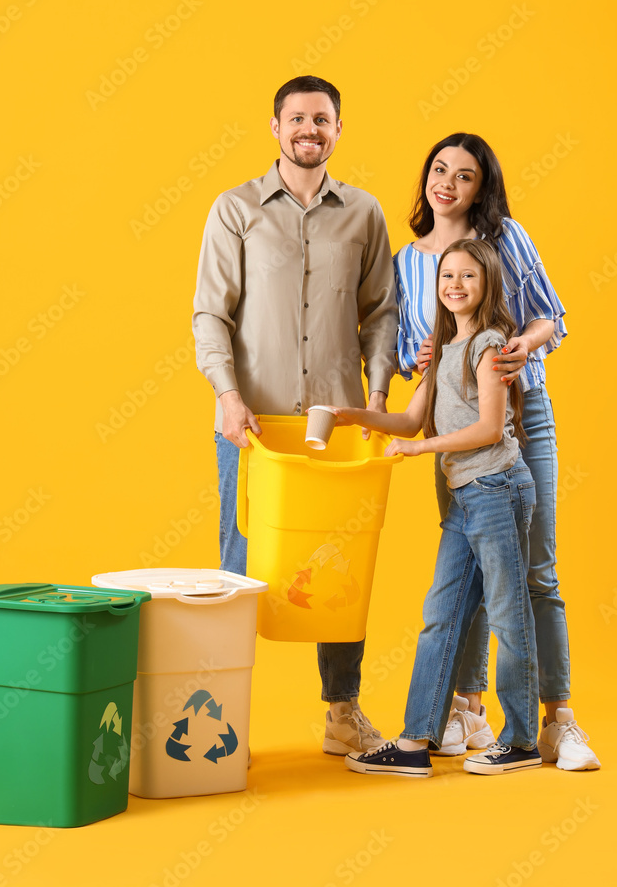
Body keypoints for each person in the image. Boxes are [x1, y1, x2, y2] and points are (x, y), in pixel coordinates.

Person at [192, 75, 398, 756]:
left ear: (339, 131)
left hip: (333, 428)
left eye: (323, 120)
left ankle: (343, 713)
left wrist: (377, 398)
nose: (310, 129)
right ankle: (224, 719)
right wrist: (226, 394)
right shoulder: (235, 210)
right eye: (298, 119)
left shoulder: (364, 213)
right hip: (252, 425)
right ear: (275, 128)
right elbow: (210, 313)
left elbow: (382, 314)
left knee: (340, 564)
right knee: (239, 567)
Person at [391, 134, 599, 771]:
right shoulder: (408, 259)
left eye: (465, 175)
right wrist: (418, 358)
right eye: (438, 169)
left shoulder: (506, 235)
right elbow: (410, 351)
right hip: (456, 428)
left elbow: (551, 319)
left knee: (536, 568)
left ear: (483, 187)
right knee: (473, 568)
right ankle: (470, 710)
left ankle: (557, 719)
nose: (447, 183)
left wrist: (521, 347)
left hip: (519, 415)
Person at [335, 238, 540, 776]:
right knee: (440, 617)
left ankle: (520, 742)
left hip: (496, 489)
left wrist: (422, 447)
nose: (455, 285)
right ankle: (414, 743)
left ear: (487, 284)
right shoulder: (443, 350)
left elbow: (490, 428)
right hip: (463, 498)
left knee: (507, 616)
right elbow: (406, 420)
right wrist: (349, 416)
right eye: (447, 276)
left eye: (468, 277)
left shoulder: (491, 344)